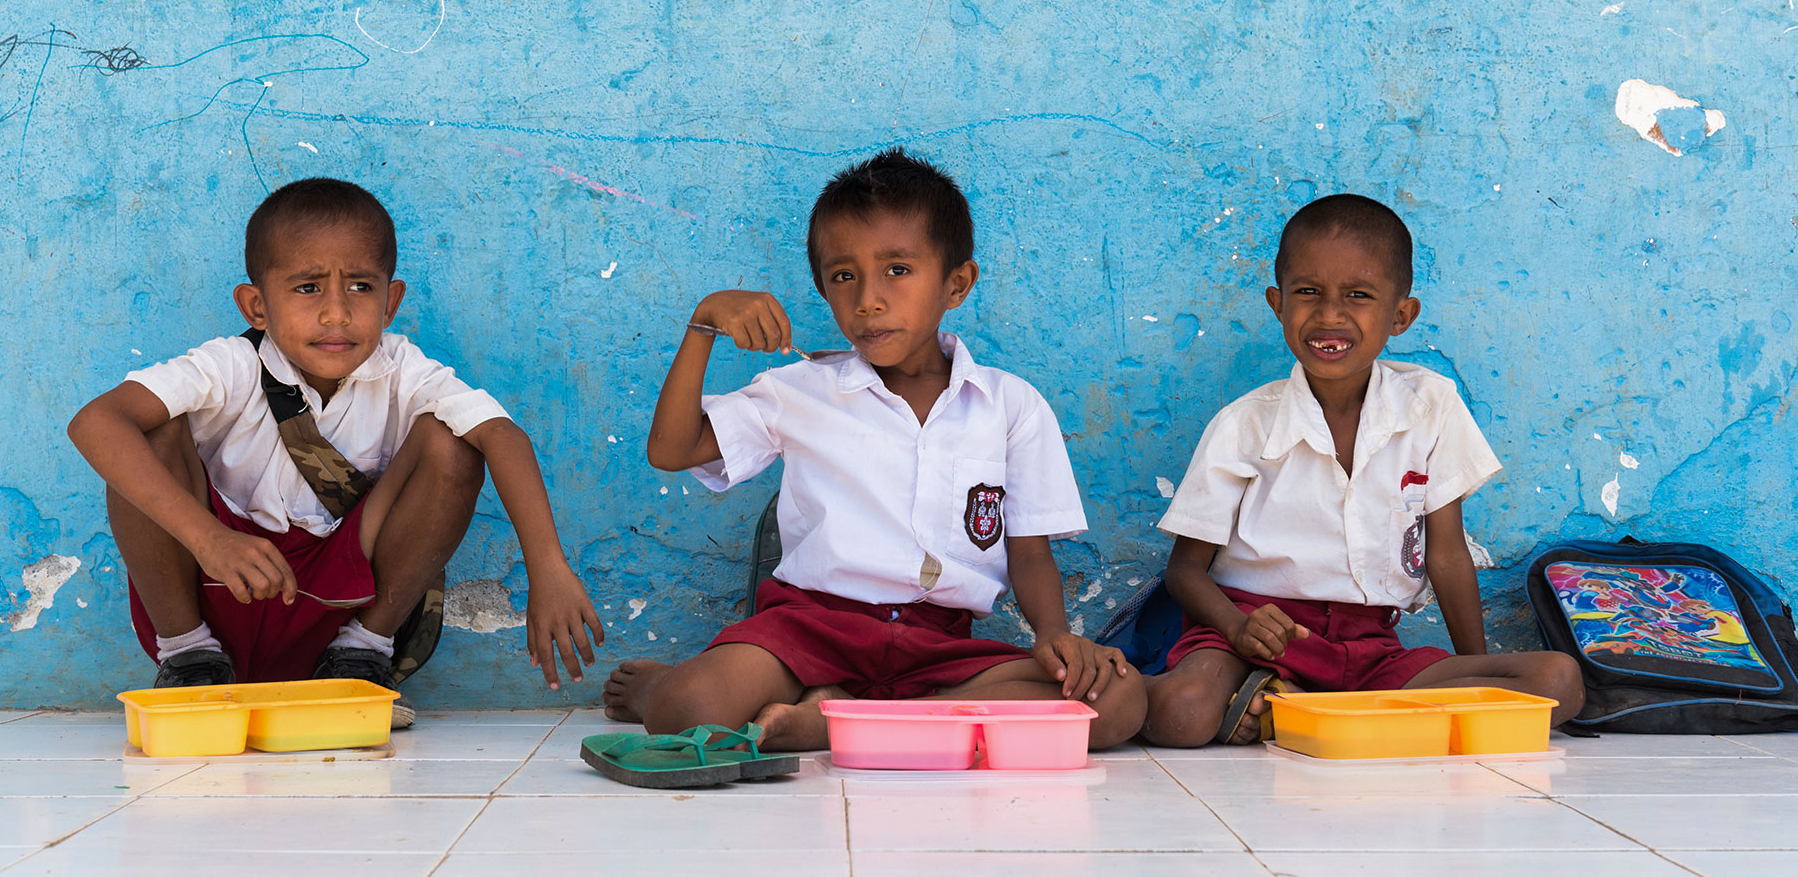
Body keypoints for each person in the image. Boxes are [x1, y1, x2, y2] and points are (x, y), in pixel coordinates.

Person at [602, 148, 1147, 751]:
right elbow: (670, 450)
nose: (868, 299)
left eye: (897, 270)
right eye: (844, 277)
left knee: (1118, 701)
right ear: (825, 289)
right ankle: (691, 692)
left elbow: (1029, 551)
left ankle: (835, 718)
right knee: (685, 708)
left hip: (939, 646)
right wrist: (703, 324)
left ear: (956, 283)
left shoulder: (1010, 406)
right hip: (810, 629)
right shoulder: (802, 392)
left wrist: (1052, 636)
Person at [68, 178, 603, 722]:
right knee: (147, 431)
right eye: (307, 288)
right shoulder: (227, 366)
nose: (336, 314)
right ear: (256, 305)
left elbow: (501, 435)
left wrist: (548, 568)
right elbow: (95, 422)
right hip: (218, 590)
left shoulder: (404, 371)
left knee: (452, 439)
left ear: (390, 301)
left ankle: (361, 655)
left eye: (360, 288)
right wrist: (210, 540)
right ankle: (187, 659)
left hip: (335, 606)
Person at [1142, 194, 1584, 746]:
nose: (1330, 314)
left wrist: (1480, 685)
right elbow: (1184, 571)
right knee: (1182, 714)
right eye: (1308, 293)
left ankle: (1292, 708)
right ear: (1278, 304)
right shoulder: (1245, 425)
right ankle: (1301, 699)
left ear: (1401, 315)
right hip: (1258, 634)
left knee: (1556, 681)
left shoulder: (1429, 405)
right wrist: (1237, 628)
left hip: (1369, 649)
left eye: (1358, 295)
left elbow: (1445, 553)